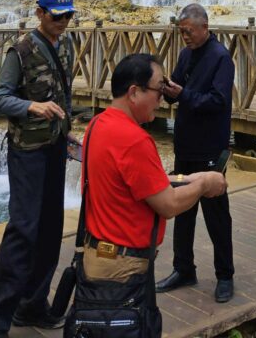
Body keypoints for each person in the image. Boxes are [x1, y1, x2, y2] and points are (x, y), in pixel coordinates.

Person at [80, 54, 226, 329]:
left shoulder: (98, 125)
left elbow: (137, 181)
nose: (162, 100)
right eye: (159, 90)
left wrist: (188, 178)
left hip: (98, 256)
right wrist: (205, 184)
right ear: (134, 92)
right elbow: (168, 205)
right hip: (124, 267)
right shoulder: (134, 140)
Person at [0, 0, 77, 338]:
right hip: (27, 152)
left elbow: (63, 95)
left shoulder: (66, 44)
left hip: (55, 148)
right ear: (40, 13)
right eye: (56, 16)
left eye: (68, 16)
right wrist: (30, 106)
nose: (62, 22)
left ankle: (32, 306)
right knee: (23, 231)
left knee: (50, 228)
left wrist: (66, 131)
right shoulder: (19, 52)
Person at [157, 4, 235, 303]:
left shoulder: (221, 58)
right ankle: (183, 268)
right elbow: (178, 88)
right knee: (182, 209)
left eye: (189, 31)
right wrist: (165, 89)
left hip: (210, 147)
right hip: (185, 143)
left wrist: (183, 94)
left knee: (217, 214)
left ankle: (225, 275)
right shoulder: (185, 53)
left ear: (204, 27)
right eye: (181, 32)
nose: (185, 36)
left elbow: (218, 101)